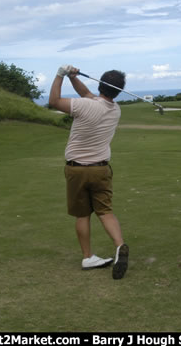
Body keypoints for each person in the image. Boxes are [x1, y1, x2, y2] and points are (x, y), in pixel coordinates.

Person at [49, 65, 129, 279]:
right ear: (118, 90)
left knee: (82, 214)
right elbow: (87, 94)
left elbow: (54, 102)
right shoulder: (115, 110)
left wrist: (60, 75)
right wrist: (73, 77)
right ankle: (120, 245)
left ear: (101, 83)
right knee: (105, 211)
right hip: (101, 169)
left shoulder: (85, 106)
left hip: (77, 170)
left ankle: (87, 256)